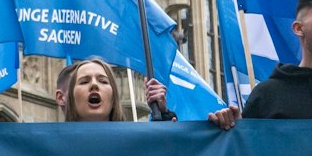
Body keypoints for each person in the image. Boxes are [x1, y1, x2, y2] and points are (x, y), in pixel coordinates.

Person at [56, 57, 239, 129]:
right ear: (69, 96)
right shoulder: (48, 148)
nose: (94, 85)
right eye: (84, 81)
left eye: (103, 81)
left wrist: (220, 129)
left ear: (114, 97)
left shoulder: (138, 145)